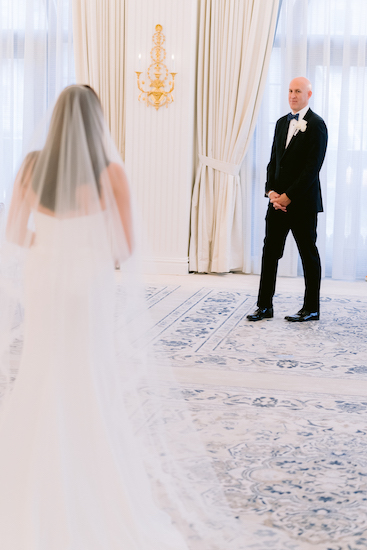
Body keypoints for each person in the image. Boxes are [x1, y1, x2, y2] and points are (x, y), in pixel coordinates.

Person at [0, 85, 246, 549]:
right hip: (85, 283)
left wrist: (50, 247)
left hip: (43, 278)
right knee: (84, 371)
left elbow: (14, 230)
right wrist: (84, 248)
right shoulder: (110, 171)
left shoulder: (32, 165)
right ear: (96, 122)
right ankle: (86, 469)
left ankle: (29, 476)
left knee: (40, 365)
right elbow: (125, 248)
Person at [247, 77, 328, 323]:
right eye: (290, 90)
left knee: (308, 254)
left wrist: (288, 197)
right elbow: (274, 161)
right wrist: (271, 192)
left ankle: (311, 308)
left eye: (298, 91)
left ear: (309, 94)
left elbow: (312, 169)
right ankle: (264, 306)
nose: (293, 95)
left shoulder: (317, 125)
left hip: (302, 204)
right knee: (269, 253)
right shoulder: (282, 123)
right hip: (277, 204)